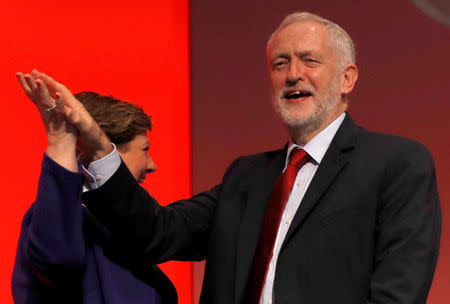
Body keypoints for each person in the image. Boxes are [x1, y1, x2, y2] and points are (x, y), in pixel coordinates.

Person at [29, 11, 441, 304]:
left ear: (347, 77)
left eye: (309, 60)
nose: (293, 74)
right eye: (281, 63)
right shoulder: (247, 177)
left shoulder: (397, 164)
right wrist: (99, 147)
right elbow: (159, 232)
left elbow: (397, 295)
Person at [11, 74, 177, 304]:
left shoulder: (115, 230)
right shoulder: (61, 223)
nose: (152, 165)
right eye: (145, 149)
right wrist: (61, 139)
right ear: (109, 150)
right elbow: (58, 259)